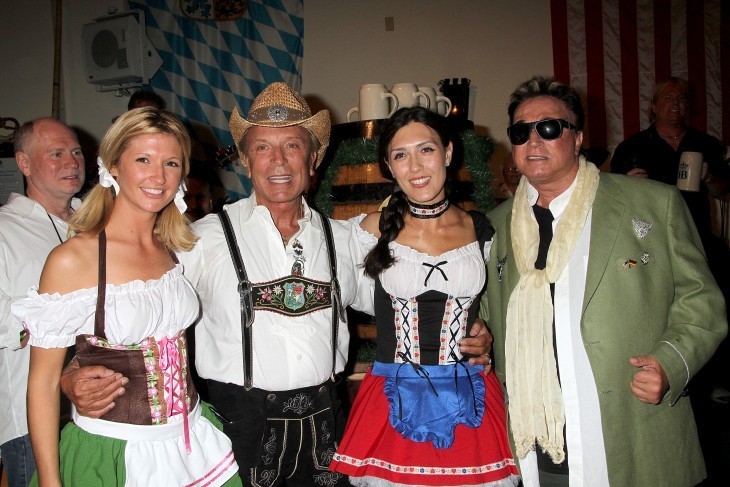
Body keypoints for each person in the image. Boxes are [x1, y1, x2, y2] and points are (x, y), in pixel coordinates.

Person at [59, 82, 492, 485]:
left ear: (314, 158)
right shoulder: (201, 238)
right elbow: (137, 306)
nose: (278, 161)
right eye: (263, 147)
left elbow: (411, 293)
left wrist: (476, 331)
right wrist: (73, 372)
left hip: (326, 424)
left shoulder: (347, 238)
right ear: (246, 160)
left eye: (293, 146)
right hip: (238, 429)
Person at [481, 76, 727, 486]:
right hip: (533, 433)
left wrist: (671, 362)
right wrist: (480, 335)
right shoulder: (495, 226)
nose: (533, 141)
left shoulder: (652, 203)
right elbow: (487, 313)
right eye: (521, 132)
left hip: (631, 428)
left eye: (549, 127)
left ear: (577, 139)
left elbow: (702, 299)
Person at [12, 108, 240, 486]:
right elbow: (42, 384)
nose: (158, 176)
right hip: (114, 451)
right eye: (143, 160)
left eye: (171, 163)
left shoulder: (173, 247)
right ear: (113, 166)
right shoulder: (74, 259)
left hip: (192, 441)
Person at [329, 107, 519, 486]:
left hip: (471, 394)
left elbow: (506, 300)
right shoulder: (366, 231)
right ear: (388, 165)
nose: (415, 166)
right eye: (400, 155)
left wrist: (488, 333)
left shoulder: (482, 229)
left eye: (426, 150)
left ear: (448, 152)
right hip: (393, 393)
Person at [0, 118, 85, 487]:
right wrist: (54, 311)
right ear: (24, 163)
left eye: (77, 152)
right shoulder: (4, 229)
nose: (72, 162)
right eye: (56, 153)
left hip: (102, 414)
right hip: (34, 420)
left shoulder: (99, 222)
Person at [610, 77, 728, 248]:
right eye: (667, 98)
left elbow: (722, 190)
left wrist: (709, 177)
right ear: (654, 106)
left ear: (687, 106)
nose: (675, 103)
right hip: (651, 238)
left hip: (696, 236)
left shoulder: (705, 143)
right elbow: (613, 197)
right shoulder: (632, 146)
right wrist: (627, 186)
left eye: (681, 98)